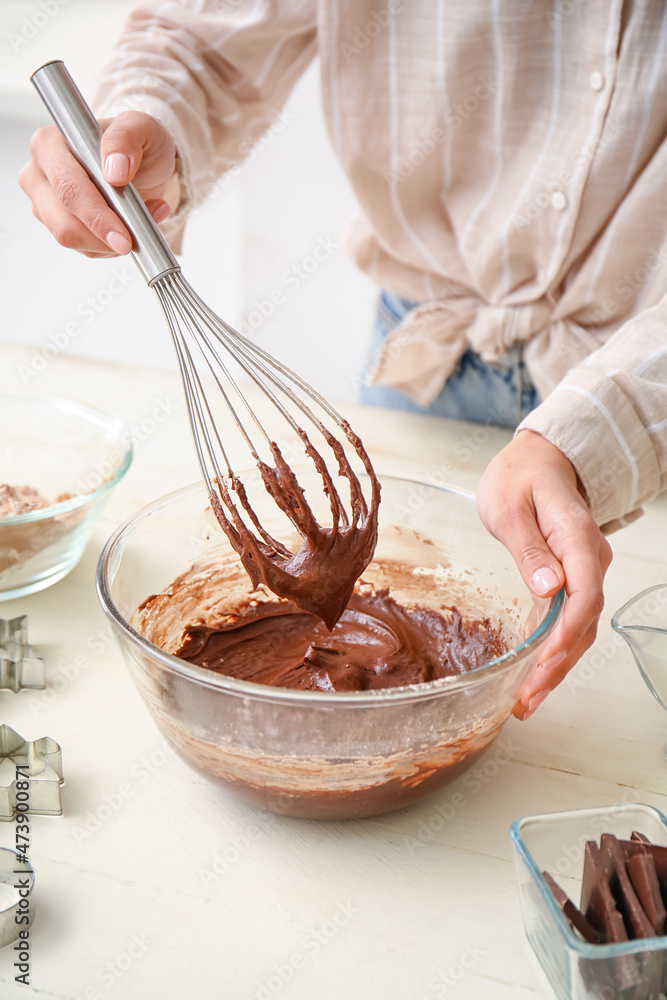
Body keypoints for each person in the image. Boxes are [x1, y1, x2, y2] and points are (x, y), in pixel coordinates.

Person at [20, 1, 667, 721]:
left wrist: (599, 435)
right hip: (425, 365)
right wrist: (146, 125)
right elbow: (204, 39)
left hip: (647, 398)